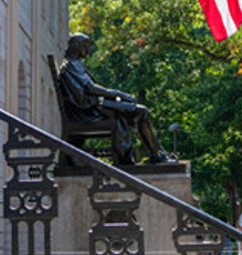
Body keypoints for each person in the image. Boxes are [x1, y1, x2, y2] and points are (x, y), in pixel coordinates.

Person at [57, 33, 177, 166]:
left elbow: (90, 89)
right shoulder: (71, 65)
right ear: (76, 46)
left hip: (94, 107)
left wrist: (117, 97)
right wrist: (120, 94)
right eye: (85, 45)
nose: (88, 49)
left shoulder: (75, 64)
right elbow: (91, 89)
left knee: (138, 113)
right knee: (142, 112)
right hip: (88, 112)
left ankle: (157, 154)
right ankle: (155, 155)